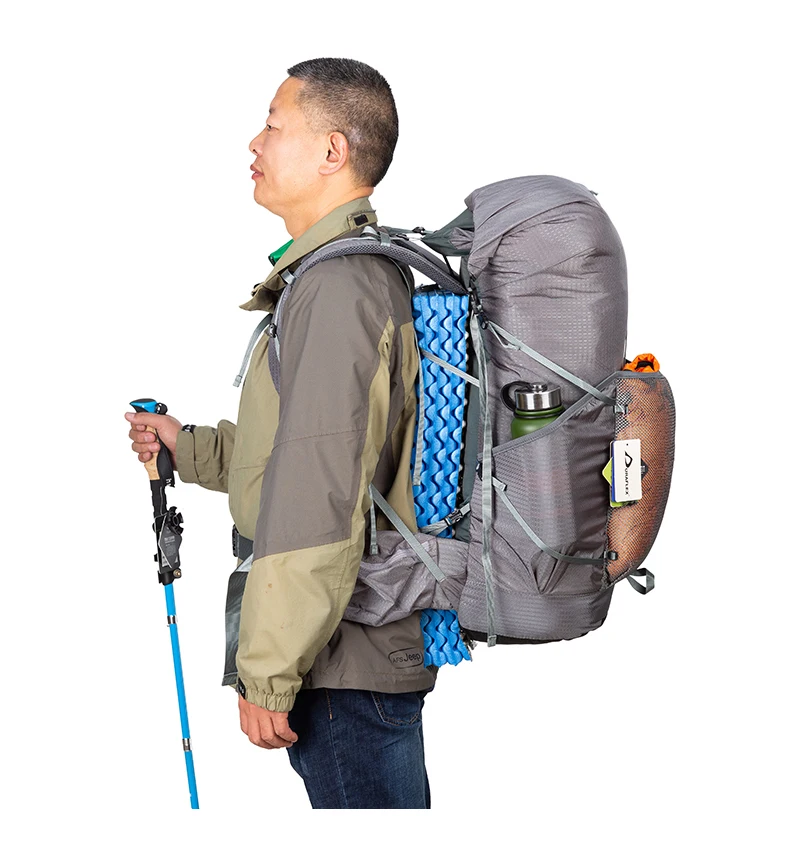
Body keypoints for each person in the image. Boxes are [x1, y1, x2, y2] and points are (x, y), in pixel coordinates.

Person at [124, 57, 436, 809]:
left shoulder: (338, 287)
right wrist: (187, 445)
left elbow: (318, 495)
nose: (254, 143)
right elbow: (300, 454)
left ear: (332, 151)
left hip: (341, 665)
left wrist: (267, 670)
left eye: (272, 124)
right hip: (350, 658)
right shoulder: (339, 278)